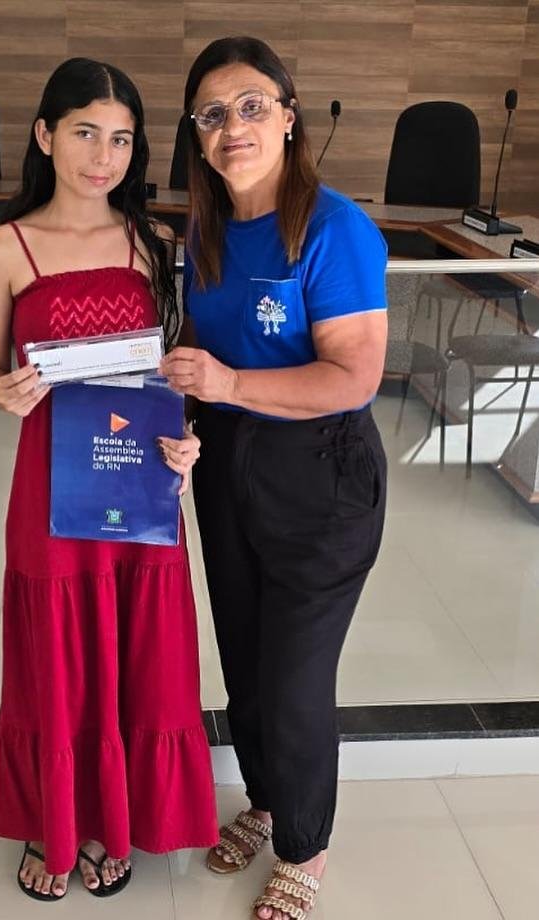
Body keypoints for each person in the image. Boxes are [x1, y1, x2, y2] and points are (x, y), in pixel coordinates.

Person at [0, 57, 218, 903]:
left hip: (137, 478)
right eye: (85, 133)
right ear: (45, 135)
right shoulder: (5, 248)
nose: (103, 156)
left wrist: (185, 440)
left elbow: (167, 374)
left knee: (137, 645)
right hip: (48, 482)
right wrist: (0, 392)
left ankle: (119, 817)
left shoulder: (151, 242)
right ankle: (57, 814)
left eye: (120, 139)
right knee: (57, 649)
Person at [160, 37, 388, 920]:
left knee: (293, 680)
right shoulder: (205, 229)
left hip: (319, 474)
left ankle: (305, 845)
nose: (233, 127)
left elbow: (353, 376)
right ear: (196, 135)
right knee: (247, 664)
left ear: (289, 117)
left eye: (252, 105)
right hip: (228, 463)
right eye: (212, 114)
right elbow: (200, 349)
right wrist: (184, 422)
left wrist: (225, 386)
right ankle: (265, 800)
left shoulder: (334, 228)